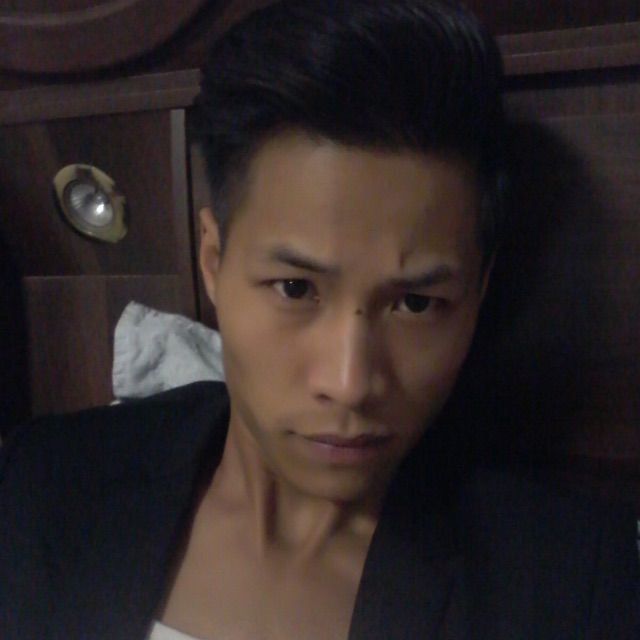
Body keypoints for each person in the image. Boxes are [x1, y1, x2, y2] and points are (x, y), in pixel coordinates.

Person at [1, 1, 638, 638]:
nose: (350, 382)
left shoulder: (566, 587)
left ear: (478, 294)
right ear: (214, 261)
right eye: (295, 288)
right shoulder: (42, 483)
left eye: (416, 303)